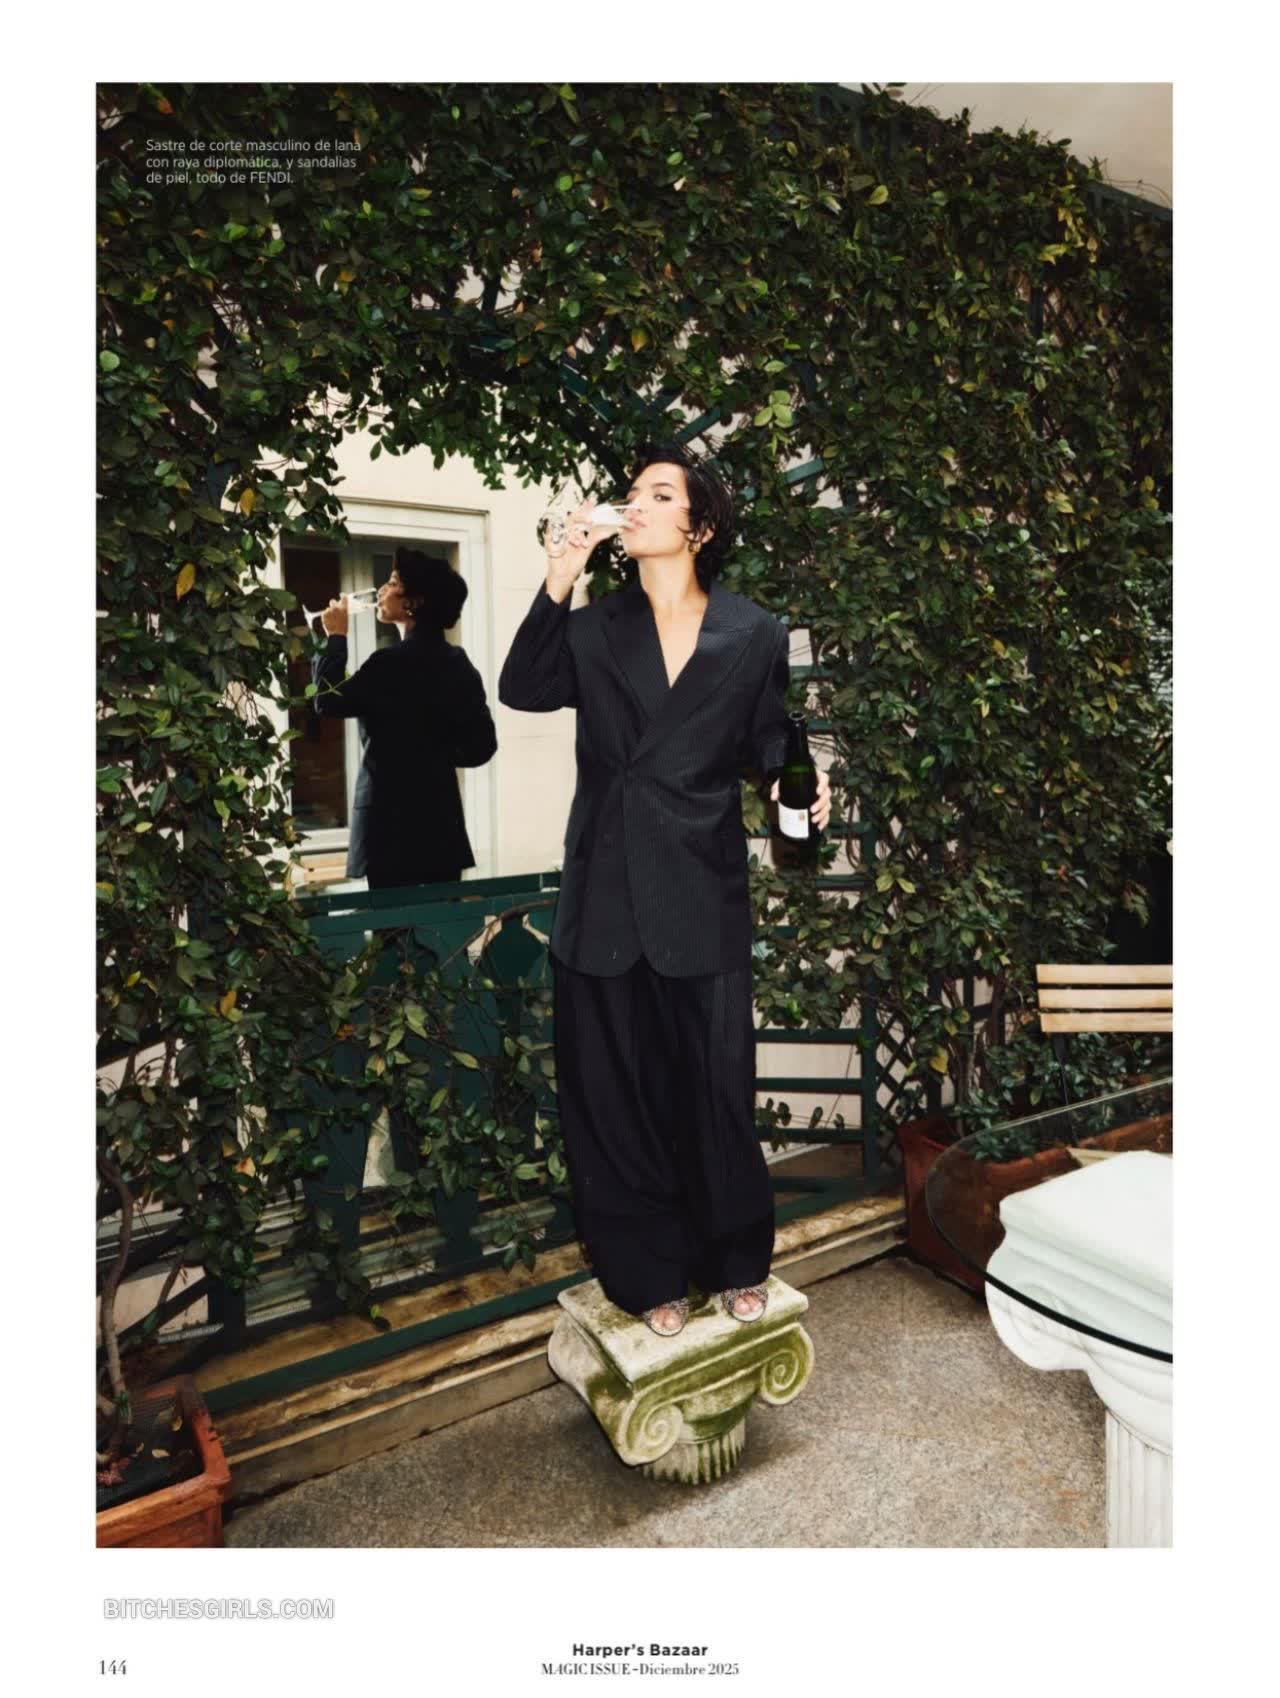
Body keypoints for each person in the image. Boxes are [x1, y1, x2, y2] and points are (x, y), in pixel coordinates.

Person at [498, 443, 831, 1336]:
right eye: (631, 493)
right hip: (603, 892)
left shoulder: (753, 632)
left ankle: (735, 1259)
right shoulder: (594, 626)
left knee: (715, 1090)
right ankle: (648, 1276)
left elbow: (769, 737)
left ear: (700, 525)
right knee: (614, 1099)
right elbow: (522, 688)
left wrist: (799, 779)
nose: (634, 505)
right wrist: (561, 573)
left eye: (658, 494)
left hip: (699, 890)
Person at [313, 548, 497, 891]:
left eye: (394, 582)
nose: (383, 589)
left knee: (393, 924)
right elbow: (482, 746)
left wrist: (335, 637)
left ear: (414, 602)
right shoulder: (457, 663)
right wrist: (432, 755)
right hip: (440, 829)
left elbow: (327, 699)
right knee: (442, 924)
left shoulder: (388, 664)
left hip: (388, 830)